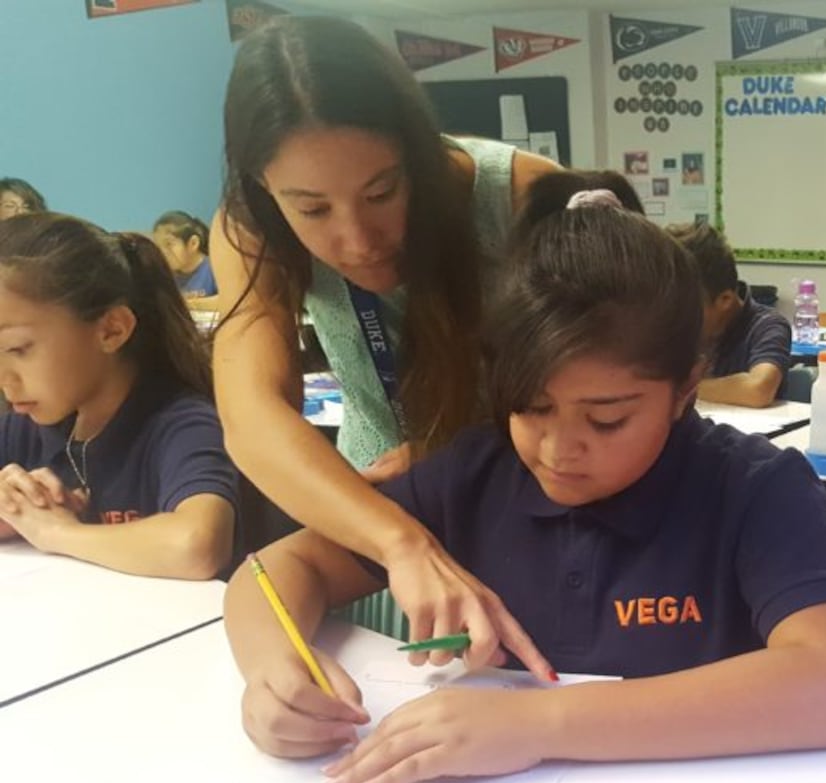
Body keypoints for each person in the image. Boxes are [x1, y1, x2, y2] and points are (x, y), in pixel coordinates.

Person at [223, 185, 826, 783]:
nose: (560, 450)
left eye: (607, 419)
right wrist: (274, 669)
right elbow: (275, 570)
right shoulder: (477, 473)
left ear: (685, 388)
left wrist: (540, 725)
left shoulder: (753, 490)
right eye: (531, 407)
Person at [209, 15, 560, 664]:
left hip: (533, 515)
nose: (359, 239)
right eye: (312, 209)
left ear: (417, 155)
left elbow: (617, 392)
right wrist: (399, 541)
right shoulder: (250, 231)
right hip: (370, 532)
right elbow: (251, 416)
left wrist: (450, 458)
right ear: (265, 188)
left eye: (382, 191)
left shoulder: (521, 197)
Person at [0, 213, 236, 579]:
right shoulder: (24, 424)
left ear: (112, 330)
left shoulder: (181, 423)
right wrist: (13, 511)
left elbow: (197, 545)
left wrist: (59, 532)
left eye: (17, 349)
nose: (3, 378)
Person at [667, 222, 790, 408]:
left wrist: (677, 390)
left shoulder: (766, 325)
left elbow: (758, 390)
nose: (676, 317)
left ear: (725, 299)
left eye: (685, 307)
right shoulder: (667, 325)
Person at [151, 211, 219, 304]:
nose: (163, 252)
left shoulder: (215, 269)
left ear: (193, 243)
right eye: (158, 246)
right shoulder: (167, 275)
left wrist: (189, 304)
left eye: (169, 244)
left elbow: (225, 301)